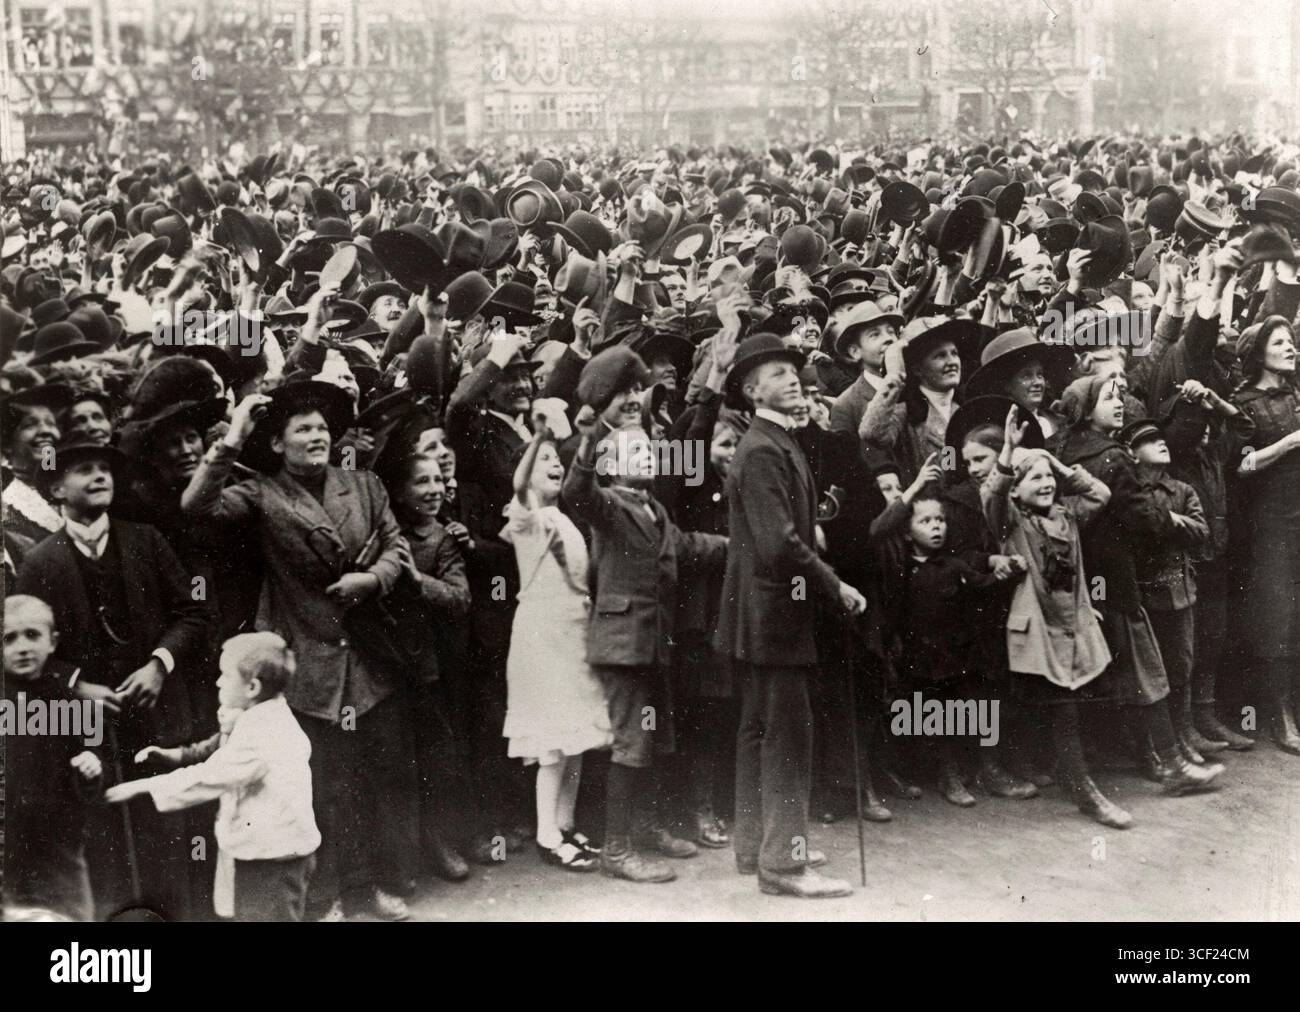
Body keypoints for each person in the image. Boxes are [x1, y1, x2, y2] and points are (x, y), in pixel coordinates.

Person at [180, 380, 416, 921]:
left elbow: (396, 544)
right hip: (308, 663)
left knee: (372, 781)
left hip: (368, 660)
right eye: (302, 429)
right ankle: (324, 896)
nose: (317, 436)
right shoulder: (262, 494)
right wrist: (231, 440)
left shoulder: (364, 484)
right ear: (279, 444)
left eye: (322, 428)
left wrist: (373, 580)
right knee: (322, 789)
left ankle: (366, 888)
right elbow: (197, 509)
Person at [16, 439, 206, 920]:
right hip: (90, 727)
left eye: (105, 468)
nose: (100, 476)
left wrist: (159, 663)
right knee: (107, 841)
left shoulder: (145, 539)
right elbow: (27, 645)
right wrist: (75, 683)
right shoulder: (40, 561)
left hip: (157, 714)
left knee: (165, 831)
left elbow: (192, 613)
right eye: (84, 470)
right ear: (57, 487)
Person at [563, 346, 727, 884]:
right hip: (624, 643)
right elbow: (576, 491)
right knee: (632, 740)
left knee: (653, 736)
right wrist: (589, 443)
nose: (650, 455)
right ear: (612, 464)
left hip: (652, 642)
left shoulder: (653, 509)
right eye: (638, 452)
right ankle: (616, 849)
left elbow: (693, 545)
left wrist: (743, 543)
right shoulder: (607, 504)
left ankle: (646, 829)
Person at [714, 332, 863, 899]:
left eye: (792, 371)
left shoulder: (774, 440)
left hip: (763, 613)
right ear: (752, 389)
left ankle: (757, 846)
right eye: (777, 373)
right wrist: (834, 584)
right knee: (787, 737)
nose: (792, 378)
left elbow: (777, 531)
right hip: (776, 614)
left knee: (759, 731)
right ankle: (783, 862)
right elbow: (779, 545)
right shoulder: (763, 448)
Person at [1047, 376, 1223, 795]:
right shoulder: (1112, 456)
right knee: (1146, 669)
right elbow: (1141, 515)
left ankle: (1130, 760)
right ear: (1087, 409)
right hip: (1116, 574)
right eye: (1109, 398)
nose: (1120, 402)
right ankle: (1172, 765)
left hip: (1080, 576)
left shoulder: (1067, 448)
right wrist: (1173, 520)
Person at [105, 632, 320, 922]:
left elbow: (210, 776)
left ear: (252, 687)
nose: (217, 682)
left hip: (272, 858)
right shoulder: (259, 715)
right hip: (266, 850)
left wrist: (144, 786)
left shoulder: (264, 733)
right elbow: (219, 746)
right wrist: (177, 755)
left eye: (225, 675)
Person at [981, 405, 1128, 827]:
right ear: (1017, 489)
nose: (1045, 484)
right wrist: (1010, 453)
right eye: (1036, 479)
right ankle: (1086, 793)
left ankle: (1058, 771)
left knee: (1064, 705)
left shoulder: (1067, 516)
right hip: (1037, 630)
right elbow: (991, 496)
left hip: (1071, 625)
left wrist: (1057, 466)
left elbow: (1100, 494)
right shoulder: (1010, 523)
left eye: (1048, 480)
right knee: (1062, 709)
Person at [502, 423, 612, 871]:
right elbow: (517, 484)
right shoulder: (525, 515)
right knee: (552, 741)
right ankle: (548, 834)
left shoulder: (563, 517)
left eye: (557, 460)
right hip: (542, 636)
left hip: (573, 632)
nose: (554, 465)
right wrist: (542, 434)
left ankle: (566, 824)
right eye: (544, 459)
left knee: (576, 735)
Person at [2, 594, 103, 921]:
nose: (22, 647)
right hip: (9, 847)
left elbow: (95, 755)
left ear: (52, 641)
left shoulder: (71, 702)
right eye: (9, 638)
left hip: (59, 846)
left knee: (71, 917)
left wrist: (91, 767)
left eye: (32, 635)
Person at [1230, 316, 1300, 755]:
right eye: (1280, 343)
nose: (1291, 348)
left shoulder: (1296, 391)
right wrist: (1290, 443)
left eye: (1291, 341)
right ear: (1259, 354)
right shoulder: (1243, 402)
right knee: (1277, 616)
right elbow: (1240, 464)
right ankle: (1278, 716)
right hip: (1270, 522)